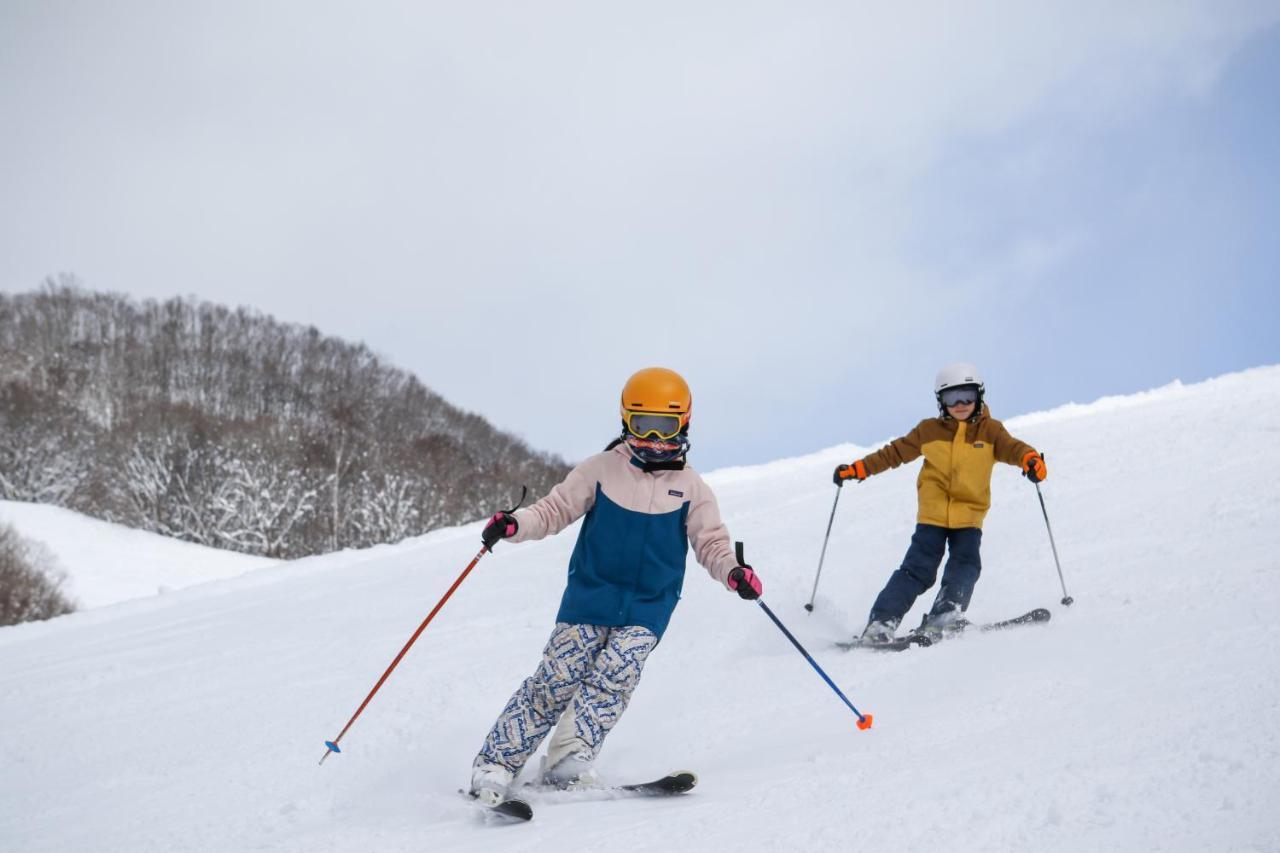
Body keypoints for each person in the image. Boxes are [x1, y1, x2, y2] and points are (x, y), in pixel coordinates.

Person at [468, 366, 763, 805]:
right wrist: (516, 524)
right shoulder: (602, 470)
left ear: (684, 423)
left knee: (616, 676)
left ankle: (569, 758)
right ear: (626, 421)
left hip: (649, 606)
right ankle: (497, 762)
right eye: (641, 426)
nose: (652, 440)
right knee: (556, 680)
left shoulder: (692, 488)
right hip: (590, 595)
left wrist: (733, 571)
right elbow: (553, 510)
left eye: (664, 428)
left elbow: (712, 543)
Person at [833, 362, 1047, 645]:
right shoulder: (929, 430)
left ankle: (945, 615)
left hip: (969, 516)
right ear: (940, 402)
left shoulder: (991, 431)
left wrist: (1030, 459)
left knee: (965, 564)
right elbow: (894, 453)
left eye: (967, 397)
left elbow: (1013, 448)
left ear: (979, 397)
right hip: (932, 516)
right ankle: (881, 622)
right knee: (916, 570)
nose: (960, 404)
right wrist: (860, 468)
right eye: (951, 398)